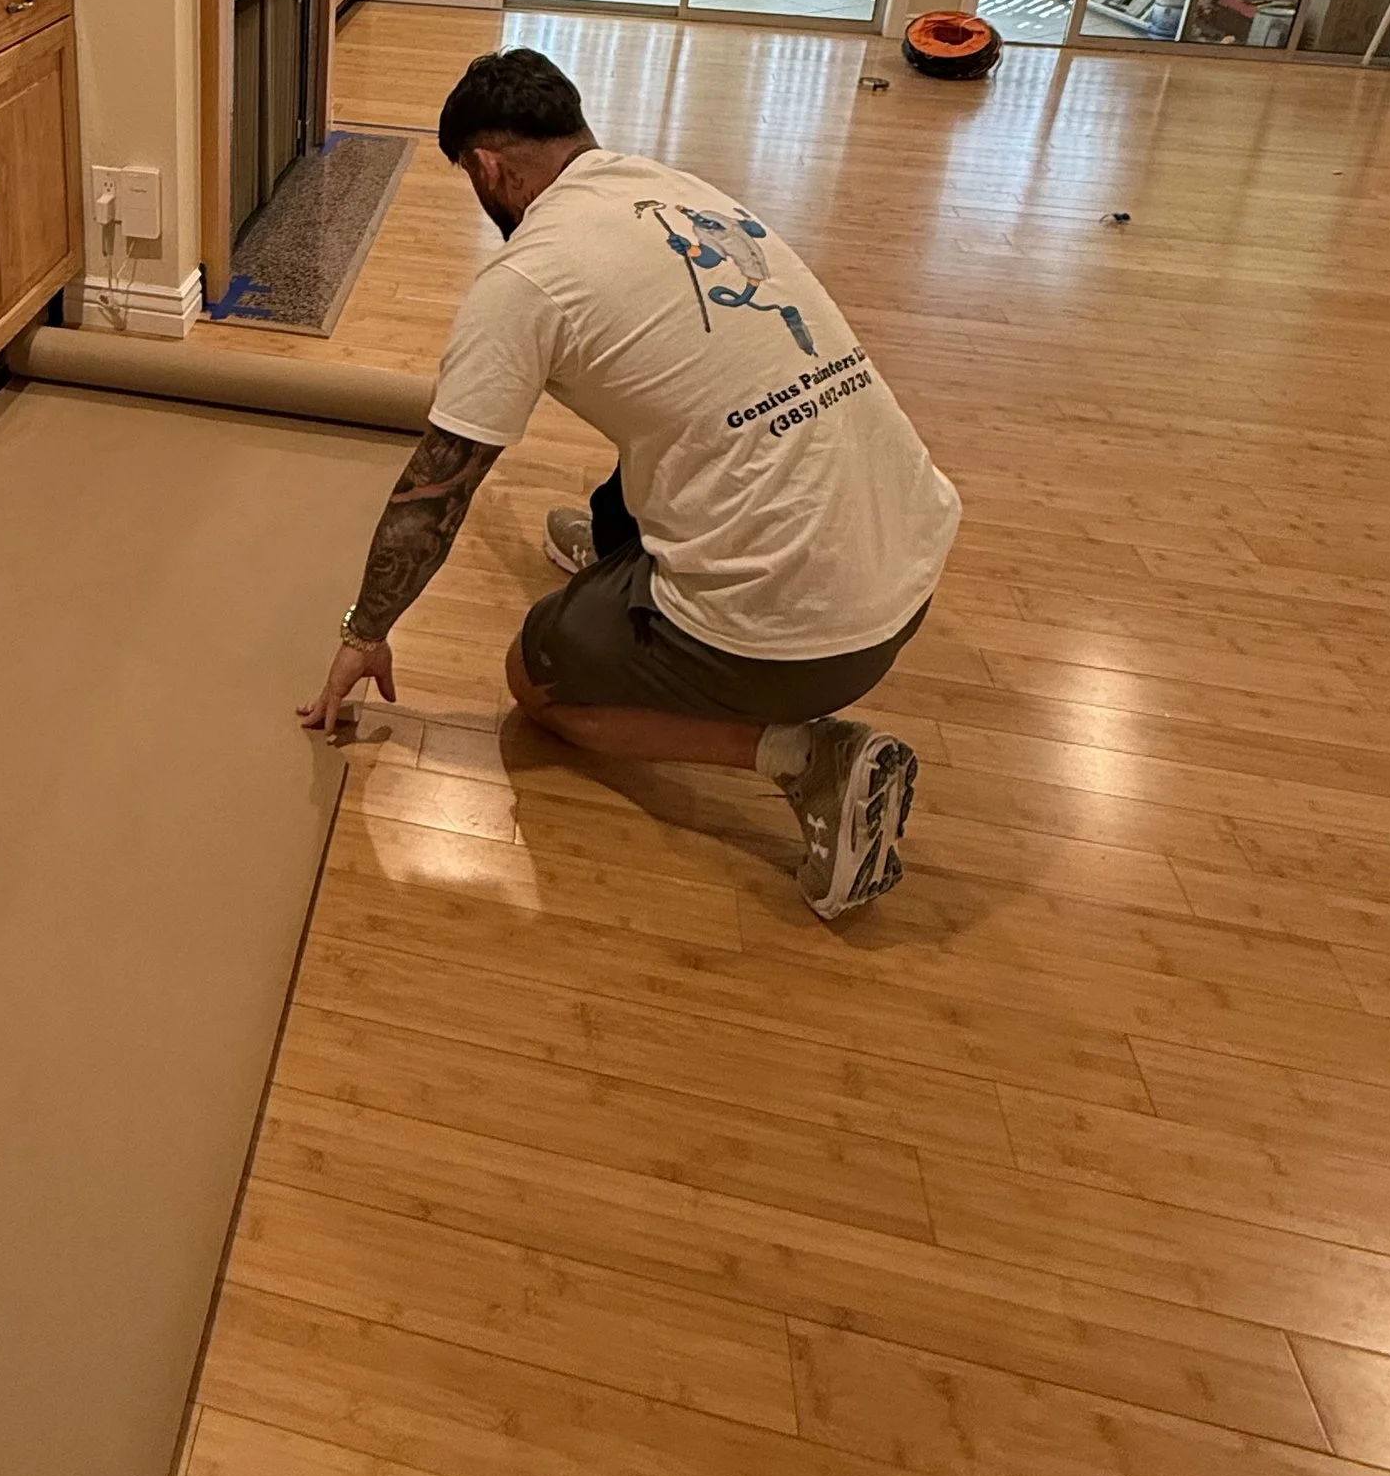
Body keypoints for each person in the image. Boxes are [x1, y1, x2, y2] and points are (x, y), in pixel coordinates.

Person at [297, 48, 960, 920]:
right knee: (697, 400)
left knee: (536, 682)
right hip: (910, 558)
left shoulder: (526, 278)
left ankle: (808, 758)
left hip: (805, 631)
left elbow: (437, 490)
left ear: (489, 168)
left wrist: (365, 629)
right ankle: (627, 561)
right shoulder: (674, 191)